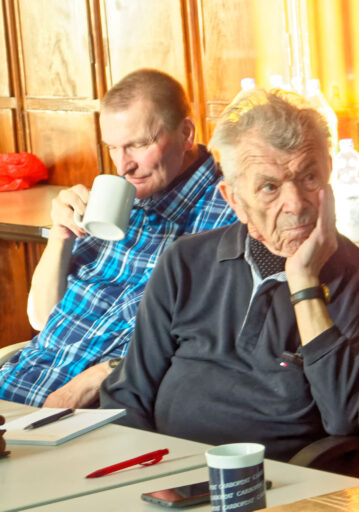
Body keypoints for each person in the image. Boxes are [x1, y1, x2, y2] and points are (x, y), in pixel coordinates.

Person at [100, 88, 359, 461]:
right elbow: (128, 394)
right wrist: (142, 474)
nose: (295, 204)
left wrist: (304, 284)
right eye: (270, 187)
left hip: (279, 482)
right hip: (163, 473)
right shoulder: (185, 263)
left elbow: (347, 420)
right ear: (234, 199)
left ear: (329, 175)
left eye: (309, 177)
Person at [0, 69, 237, 408]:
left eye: (138, 145)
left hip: (96, 413)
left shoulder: (232, 212)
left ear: (186, 133)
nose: (123, 166)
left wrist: (101, 375)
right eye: (113, 147)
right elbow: (42, 318)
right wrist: (60, 237)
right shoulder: (114, 200)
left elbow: (215, 342)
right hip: (18, 387)